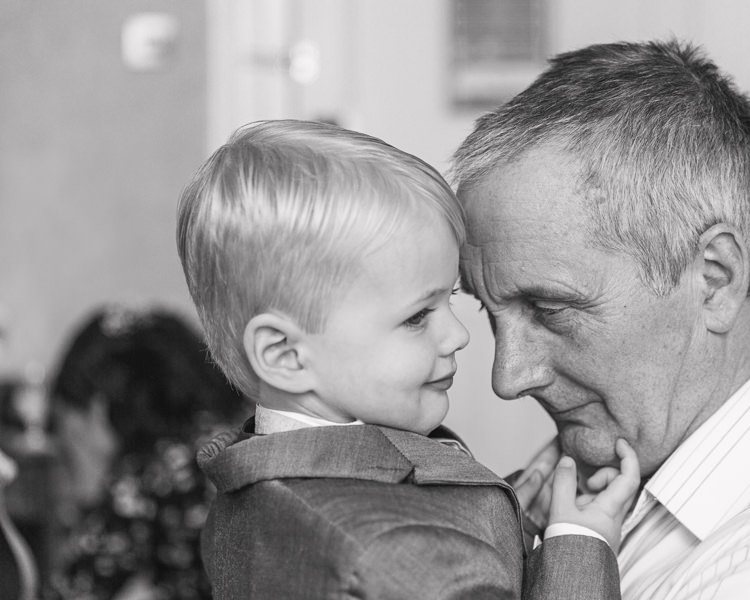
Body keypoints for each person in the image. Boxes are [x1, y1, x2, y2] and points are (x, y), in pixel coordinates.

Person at [451, 39, 750, 599]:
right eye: (488, 311)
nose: (509, 376)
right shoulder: (594, 479)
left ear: (715, 280)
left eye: (550, 310)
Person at [175, 119, 639, 599]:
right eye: (417, 316)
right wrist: (580, 546)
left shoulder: (251, 493)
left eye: (451, 299)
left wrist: (508, 529)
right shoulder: (396, 552)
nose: (458, 335)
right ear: (285, 354)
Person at [44, 305, 249, 600]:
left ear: (98, 411)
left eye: (67, 440)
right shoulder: (241, 444)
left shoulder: (145, 482)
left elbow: (69, 593)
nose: (66, 474)